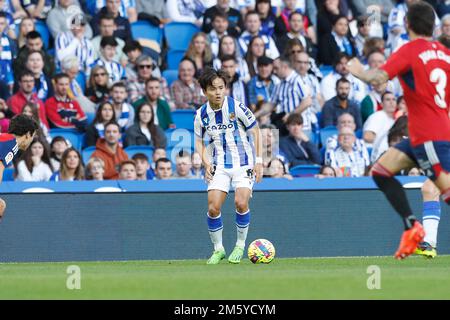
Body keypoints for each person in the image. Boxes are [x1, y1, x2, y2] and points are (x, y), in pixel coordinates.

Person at [347, 1, 450, 260]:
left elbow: (378, 79)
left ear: (407, 24)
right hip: (423, 134)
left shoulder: (410, 50)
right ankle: (412, 226)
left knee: (446, 192)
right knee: (381, 171)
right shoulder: (445, 53)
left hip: (429, 137)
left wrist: (358, 71)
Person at [194, 68, 263, 264]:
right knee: (213, 208)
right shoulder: (201, 115)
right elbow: (198, 141)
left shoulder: (237, 107)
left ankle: (240, 245)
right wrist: (206, 162)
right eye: (213, 89)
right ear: (205, 91)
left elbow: (256, 132)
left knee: (241, 203)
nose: (218, 92)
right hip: (220, 165)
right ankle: (218, 249)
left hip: (243, 164)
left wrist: (258, 162)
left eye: (221, 88)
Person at [0, 115, 38, 219]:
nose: (31, 141)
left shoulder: (5, 140)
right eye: (33, 136)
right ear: (28, 134)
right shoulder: (12, 144)